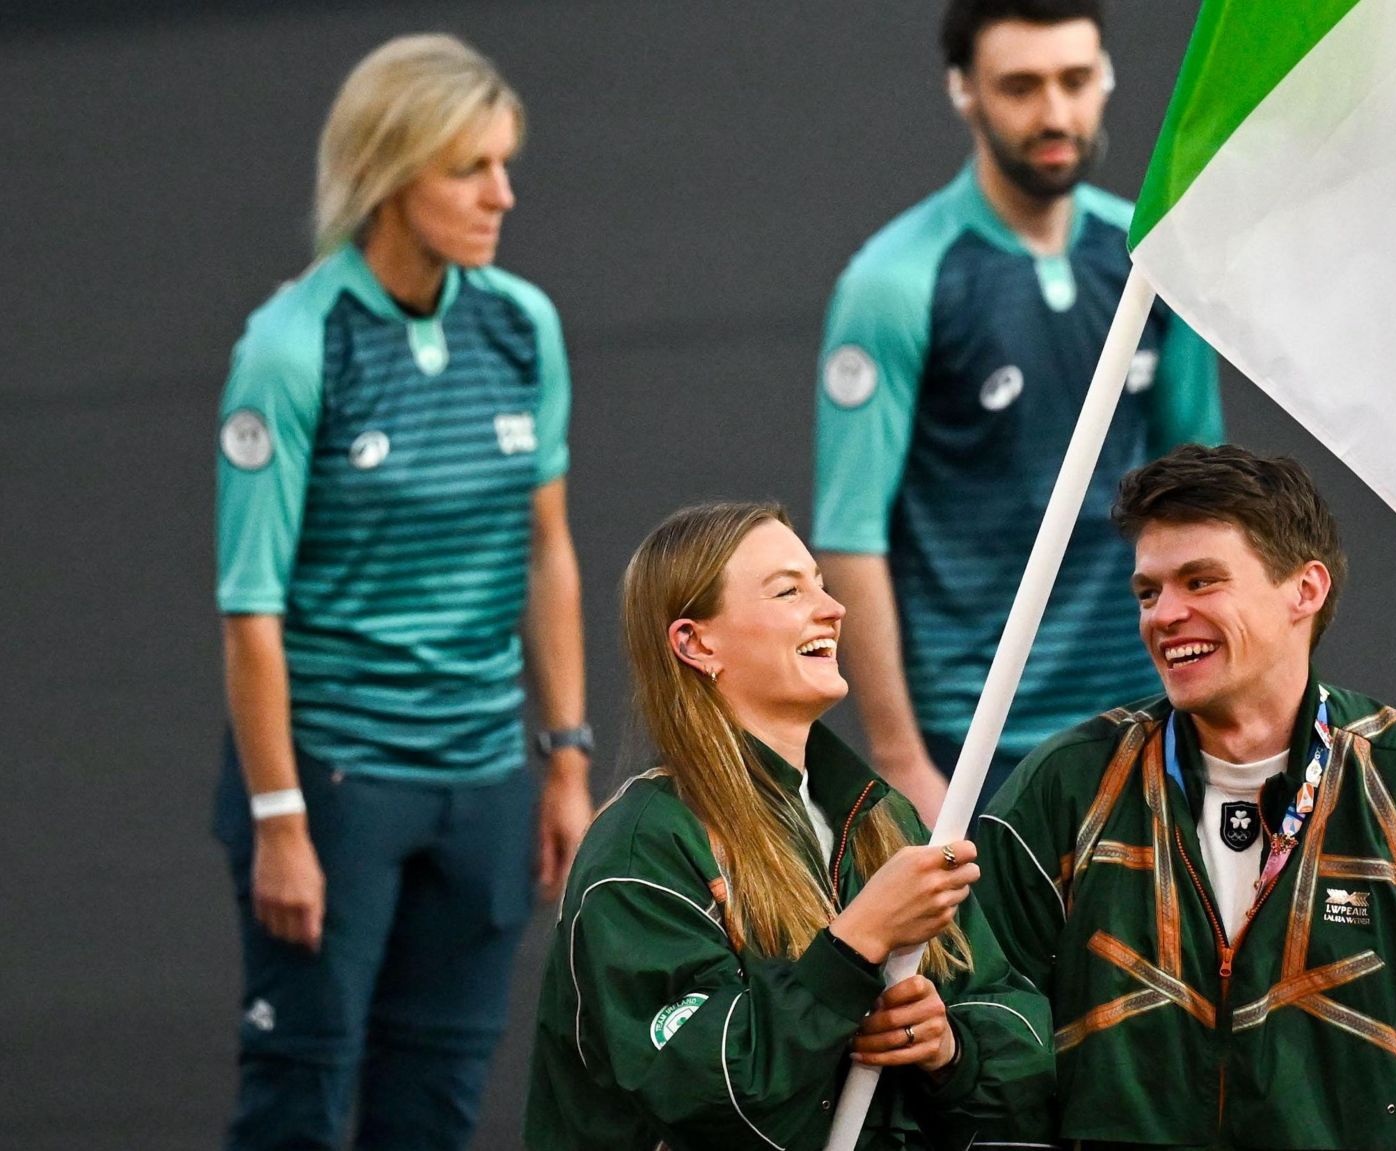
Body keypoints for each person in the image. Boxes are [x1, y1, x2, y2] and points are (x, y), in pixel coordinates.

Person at [212, 34, 592, 1148]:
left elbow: (547, 551)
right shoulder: (292, 347)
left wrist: (564, 758)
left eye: (505, 163)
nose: (501, 194)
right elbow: (250, 610)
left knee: (436, 1101)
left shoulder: (522, 324)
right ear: (387, 173)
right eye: (468, 168)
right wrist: (280, 818)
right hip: (335, 785)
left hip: (481, 786)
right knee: (299, 1099)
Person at [977, 445, 1396, 1149]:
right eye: (1149, 591)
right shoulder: (1066, 787)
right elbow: (992, 1048)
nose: (1165, 615)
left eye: (1201, 581)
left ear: (1304, 590)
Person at [524, 503, 1055, 1150]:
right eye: (789, 590)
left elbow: (1021, 1041)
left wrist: (946, 1047)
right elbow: (707, 1091)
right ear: (695, 643)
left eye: (821, 584)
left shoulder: (881, 818)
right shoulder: (645, 846)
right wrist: (857, 942)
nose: (832, 608)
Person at [813, 0, 1223, 822]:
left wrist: (1218, 701)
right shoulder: (894, 282)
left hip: (1147, 718)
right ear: (964, 90)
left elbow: (1204, 498)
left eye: (1076, 80)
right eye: (1021, 86)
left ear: (1106, 75)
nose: (1056, 113)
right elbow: (850, 534)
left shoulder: (1153, 260)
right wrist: (901, 759)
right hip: (973, 741)